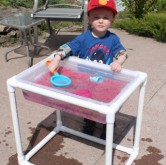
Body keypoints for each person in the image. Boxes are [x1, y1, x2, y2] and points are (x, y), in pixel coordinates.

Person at [47, 0, 128, 139]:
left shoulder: (113, 39)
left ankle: (107, 126)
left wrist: (118, 62)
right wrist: (57, 57)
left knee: (105, 103)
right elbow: (69, 47)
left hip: (105, 79)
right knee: (88, 103)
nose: (101, 21)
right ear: (89, 19)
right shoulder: (83, 38)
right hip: (85, 79)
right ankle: (89, 122)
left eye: (106, 17)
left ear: (112, 20)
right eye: (96, 17)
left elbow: (122, 52)